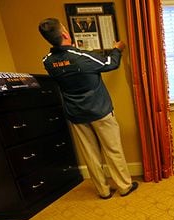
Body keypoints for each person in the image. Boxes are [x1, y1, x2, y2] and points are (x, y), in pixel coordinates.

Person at [38, 18, 138, 199]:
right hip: (100, 111)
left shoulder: (47, 61)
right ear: (65, 34)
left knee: (90, 154)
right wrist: (117, 49)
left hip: (75, 113)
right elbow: (110, 63)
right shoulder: (82, 57)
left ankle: (103, 190)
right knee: (113, 149)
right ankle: (124, 186)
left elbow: (63, 67)